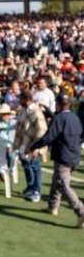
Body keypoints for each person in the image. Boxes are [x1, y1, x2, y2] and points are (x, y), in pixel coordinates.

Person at [29, 94, 84, 228]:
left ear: (59, 104)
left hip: (63, 156)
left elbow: (49, 137)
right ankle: (52, 206)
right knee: (57, 180)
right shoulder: (75, 117)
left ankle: (81, 210)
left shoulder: (59, 118)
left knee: (63, 184)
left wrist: (35, 146)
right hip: (75, 155)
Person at [13, 90, 48, 202]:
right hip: (23, 144)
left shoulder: (35, 111)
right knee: (27, 166)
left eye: (20, 99)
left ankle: (36, 191)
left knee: (35, 167)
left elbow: (42, 129)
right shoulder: (24, 110)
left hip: (32, 146)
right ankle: (30, 187)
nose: (19, 101)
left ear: (26, 99)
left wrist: (36, 147)